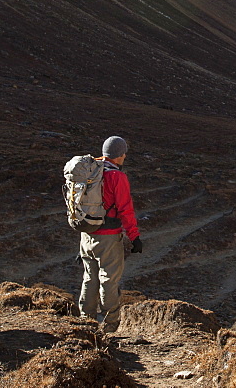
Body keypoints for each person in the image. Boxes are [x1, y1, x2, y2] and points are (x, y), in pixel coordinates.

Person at [78, 135, 142, 333]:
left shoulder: (89, 170)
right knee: (109, 279)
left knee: (89, 277)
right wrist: (134, 237)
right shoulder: (117, 176)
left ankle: (84, 322)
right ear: (120, 155)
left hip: (86, 233)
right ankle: (110, 325)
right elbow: (125, 210)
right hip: (108, 235)